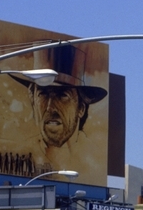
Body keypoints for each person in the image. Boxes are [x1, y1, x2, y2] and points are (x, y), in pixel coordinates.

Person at [10, 44, 108, 175]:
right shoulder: (20, 152)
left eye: (62, 95)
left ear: (81, 109)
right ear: (33, 100)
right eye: (43, 94)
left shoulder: (94, 162)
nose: (50, 108)